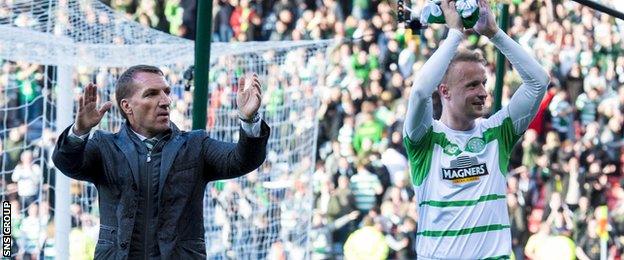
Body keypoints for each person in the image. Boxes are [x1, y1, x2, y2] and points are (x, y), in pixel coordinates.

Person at [52, 65, 270, 259]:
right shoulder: (104, 146)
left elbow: (242, 160)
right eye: (151, 94)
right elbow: (66, 163)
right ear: (127, 106)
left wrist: (249, 120)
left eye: (166, 92)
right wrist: (80, 131)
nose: (165, 100)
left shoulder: (196, 144)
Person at [402, 0, 549, 258]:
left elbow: (538, 82)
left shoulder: (497, 132)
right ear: (445, 91)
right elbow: (421, 91)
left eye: (483, 83)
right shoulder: (426, 138)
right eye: (471, 85)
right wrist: (455, 33)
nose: (483, 92)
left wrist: (494, 33)